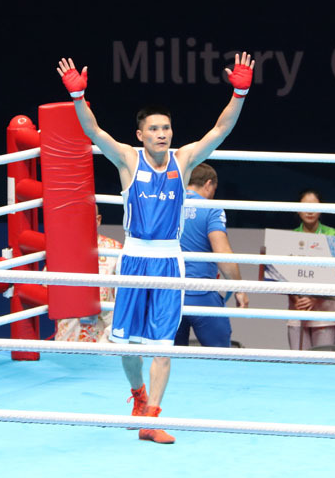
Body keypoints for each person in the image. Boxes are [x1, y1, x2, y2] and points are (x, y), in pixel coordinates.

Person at [57, 51, 254, 444]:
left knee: (163, 346)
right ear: (141, 134)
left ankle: (152, 419)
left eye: (166, 127)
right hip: (133, 258)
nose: (162, 133)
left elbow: (220, 130)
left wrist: (240, 93)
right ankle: (138, 395)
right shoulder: (128, 160)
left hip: (168, 260)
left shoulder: (184, 161)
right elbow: (94, 131)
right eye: (154, 129)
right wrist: (78, 97)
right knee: (125, 344)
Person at [174, 162, 248, 348]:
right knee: (219, 357)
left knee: (168, 359)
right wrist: (239, 289)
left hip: (169, 294)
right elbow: (223, 255)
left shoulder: (169, 206)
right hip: (202, 293)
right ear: (208, 184)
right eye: (214, 189)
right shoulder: (211, 208)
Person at [55, 205, 123, 342]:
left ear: (97, 220)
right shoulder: (60, 249)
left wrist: (104, 310)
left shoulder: (115, 249)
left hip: (104, 336)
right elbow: (46, 290)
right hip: (68, 335)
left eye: (84, 219)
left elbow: (127, 293)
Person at [287, 189, 335, 350]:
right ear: (297, 210)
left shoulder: (334, 235)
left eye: (314, 206)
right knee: (299, 362)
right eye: (305, 206)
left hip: (325, 313)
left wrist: (315, 298)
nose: (310, 211)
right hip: (298, 311)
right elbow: (282, 274)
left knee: (323, 361)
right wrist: (296, 298)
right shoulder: (289, 237)